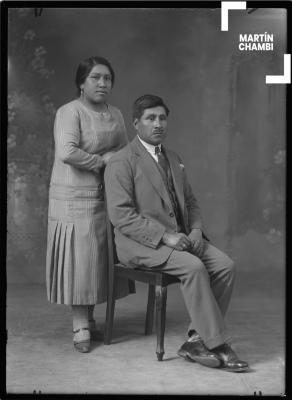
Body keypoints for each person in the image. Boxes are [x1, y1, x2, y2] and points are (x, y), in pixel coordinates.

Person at [104, 94, 249, 372]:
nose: (158, 124)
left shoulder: (173, 158)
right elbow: (121, 216)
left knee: (225, 266)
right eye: (150, 118)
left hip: (182, 238)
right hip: (141, 243)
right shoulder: (122, 161)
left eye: (162, 118)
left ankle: (196, 339)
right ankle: (218, 344)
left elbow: (191, 201)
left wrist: (195, 230)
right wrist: (165, 237)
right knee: (194, 267)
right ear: (136, 123)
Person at [46, 56, 134, 353]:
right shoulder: (69, 112)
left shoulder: (117, 114)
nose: (102, 83)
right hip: (73, 195)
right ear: (81, 83)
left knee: (98, 259)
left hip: (105, 194)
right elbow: (67, 151)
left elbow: (125, 151)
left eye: (107, 78)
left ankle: (92, 320)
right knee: (79, 260)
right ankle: (80, 323)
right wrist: (101, 161)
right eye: (95, 77)